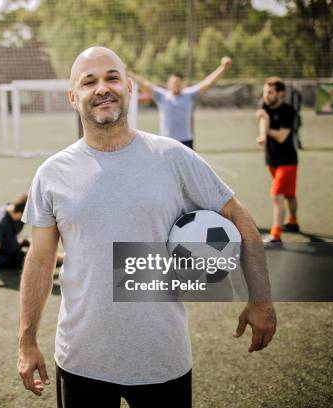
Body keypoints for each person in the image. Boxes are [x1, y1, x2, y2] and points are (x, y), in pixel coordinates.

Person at [17, 46, 276, 408]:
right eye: (89, 82)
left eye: (112, 78)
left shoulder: (172, 156)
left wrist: (260, 298)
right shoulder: (52, 173)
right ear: (73, 97)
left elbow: (240, 217)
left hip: (162, 358)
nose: (102, 88)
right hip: (80, 359)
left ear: (130, 88)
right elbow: (41, 261)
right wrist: (26, 340)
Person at [130, 56, 232, 149]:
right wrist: (127, 72)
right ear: (169, 84)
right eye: (174, 82)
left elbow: (208, 82)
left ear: (182, 83)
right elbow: (144, 83)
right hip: (166, 141)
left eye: (179, 82)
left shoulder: (189, 94)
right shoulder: (162, 95)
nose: (177, 84)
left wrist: (223, 68)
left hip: (186, 141)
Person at [255, 77, 299, 244]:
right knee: (289, 194)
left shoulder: (288, 111)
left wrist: (266, 131)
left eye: (270, 92)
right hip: (272, 160)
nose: (266, 95)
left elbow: (282, 136)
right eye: (265, 91)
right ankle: (293, 221)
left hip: (287, 161)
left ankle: (275, 234)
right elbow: (261, 119)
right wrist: (261, 133)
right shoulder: (264, 105)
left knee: (277, 195)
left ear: (281, 94)